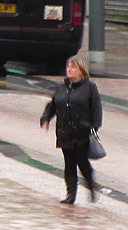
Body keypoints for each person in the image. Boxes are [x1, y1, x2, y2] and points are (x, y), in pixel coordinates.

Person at [40, 56, 103, 204]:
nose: (69, 69)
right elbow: (53, 105)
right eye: (68, 67)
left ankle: (91, 184)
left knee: (81, 161)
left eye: (73, 67)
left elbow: (96, 107)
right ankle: (71, 195)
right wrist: (45, 118)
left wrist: (94, 126)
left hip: (82, 131)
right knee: (69, 163)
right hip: (64, 131)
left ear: (81, 70)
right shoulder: (61, 88)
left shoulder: (90, 87)